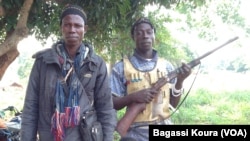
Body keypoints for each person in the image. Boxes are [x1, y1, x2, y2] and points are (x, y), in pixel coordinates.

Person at [20, 4, 116, 141]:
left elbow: (105, 109)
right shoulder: (43, 62)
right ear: (61, 28)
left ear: (85, 29)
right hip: (50, 136)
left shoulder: (95, 64)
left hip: (85, 137)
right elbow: (30, 107)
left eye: (78, 26)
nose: (72, 30)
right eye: (67, 25)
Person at [109, 17, 192, 141]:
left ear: (154, 35)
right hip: (134, 134)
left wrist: (180, 81)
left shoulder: (167, 66)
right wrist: (133, 97)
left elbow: (172, 105)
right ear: (133, 37)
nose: (145, 36)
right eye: (139, 33)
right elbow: (111, 103)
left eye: (149, 32)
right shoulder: (121, 67)